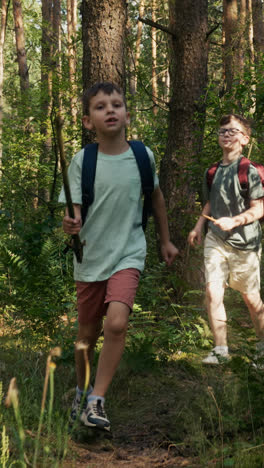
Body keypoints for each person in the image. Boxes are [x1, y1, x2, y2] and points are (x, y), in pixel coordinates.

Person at [59, 82, 179, 432]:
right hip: (91, 257)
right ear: (87, 121)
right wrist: (71, 222)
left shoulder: (143, 156)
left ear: (127, 114)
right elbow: (73, 212)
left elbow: (155, 198)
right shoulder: (83, 160)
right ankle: (80, 392)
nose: (110, 110)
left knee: (115, 323)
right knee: (86, 333)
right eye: (100, 106)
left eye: (116, 104)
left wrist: (165, 241)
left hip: (129, 252)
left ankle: (97, 399)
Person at [188, 114, 264, 365]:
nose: (226, 134)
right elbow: (210, 202)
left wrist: (236, 220)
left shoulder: (249, 170)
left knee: (251, 299)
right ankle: (220, 350)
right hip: (216, 239)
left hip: (245, 244)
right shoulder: (212, 171)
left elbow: (259, 208)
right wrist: (199, 226)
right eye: (222, 131)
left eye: (233, 131)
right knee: (212, 292)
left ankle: (262, 346)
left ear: (244, 139)